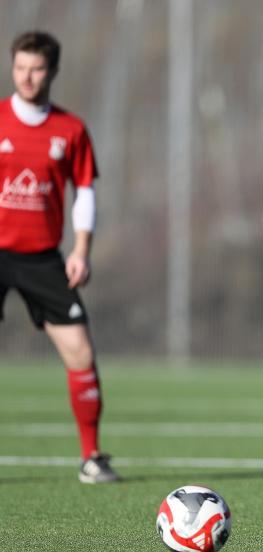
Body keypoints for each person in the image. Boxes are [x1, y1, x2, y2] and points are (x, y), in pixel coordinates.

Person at [0, 31, 118, 483]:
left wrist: (81, 250)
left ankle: (91, 456)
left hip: (42, 258)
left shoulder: (70, 130)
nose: (27, 77)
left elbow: (84, 191)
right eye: (20, 68)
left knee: (81, 352)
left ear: (52, 72)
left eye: (36, 69)